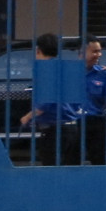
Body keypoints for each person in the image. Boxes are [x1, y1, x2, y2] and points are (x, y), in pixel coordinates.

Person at [19, 33, 83, 165]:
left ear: (38, 50)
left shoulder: (46, 70)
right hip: (72, 127)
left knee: (52, 170)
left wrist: (27, 116)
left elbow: (45, 103)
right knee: (69, 171)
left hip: (54, 130)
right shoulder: (66, 69)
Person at [77, 38, 106, 164]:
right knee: (72, 162)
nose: (99, 55)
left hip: (96, 122)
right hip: (75, 122)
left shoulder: (103, 74)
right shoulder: (70, 73)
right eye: (94, 51)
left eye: (100, 51)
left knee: (99, 161)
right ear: (82, 53)